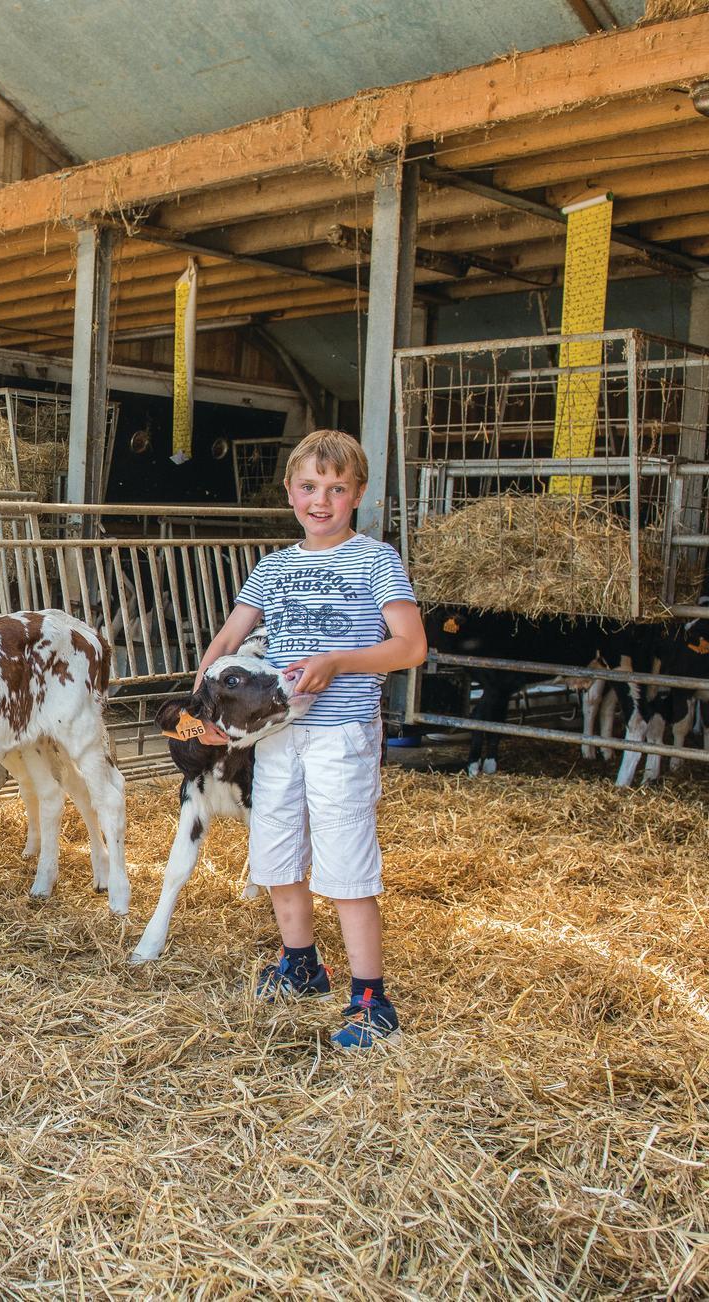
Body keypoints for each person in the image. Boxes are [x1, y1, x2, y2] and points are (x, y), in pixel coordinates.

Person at [192, 429, 425, 1049]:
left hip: (340, 735)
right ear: (290, 492)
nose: (321, 500)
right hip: (277, 735)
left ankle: (371, 999)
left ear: (359, 494)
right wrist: (202, 704)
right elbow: (228, 638)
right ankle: (301, 965)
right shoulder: (273, 567)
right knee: (276, 851)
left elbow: (411, 647)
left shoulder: (376, 560)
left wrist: (338, 661)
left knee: (345, 860)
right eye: (309, 487)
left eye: (336, 489)